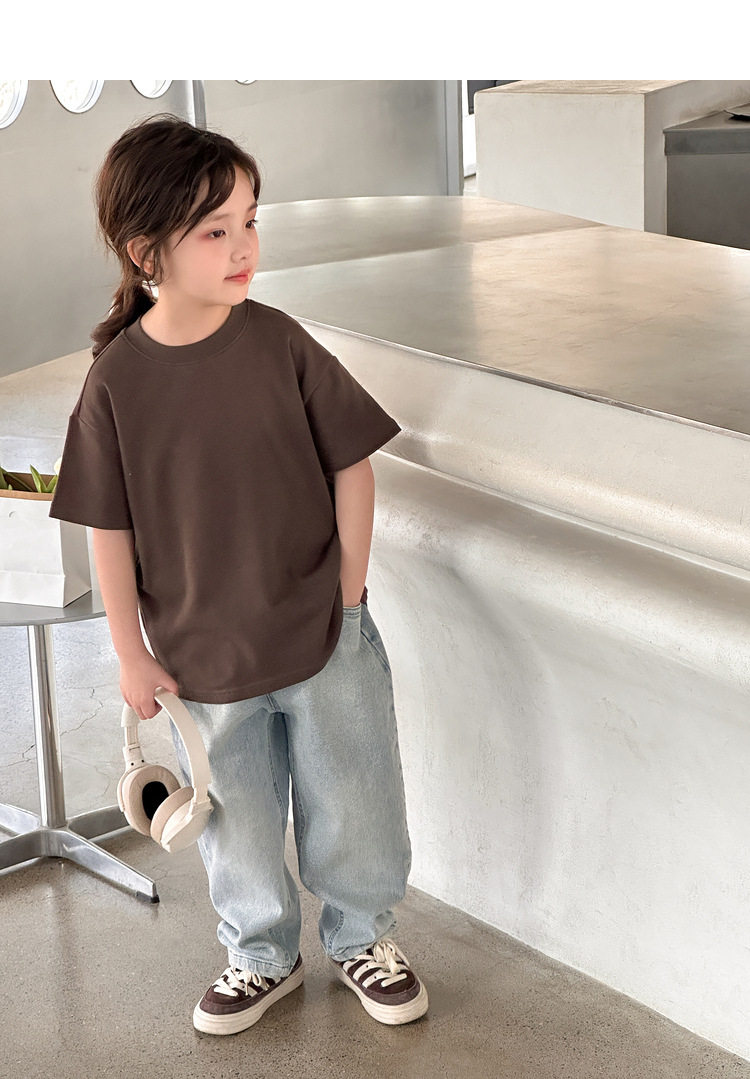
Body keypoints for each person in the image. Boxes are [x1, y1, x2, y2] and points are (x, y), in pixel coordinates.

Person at [48, 113, 427, 1035]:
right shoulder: (116, 383)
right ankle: (261, 953)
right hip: (200, 657)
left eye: (250, 221)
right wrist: (129, 652)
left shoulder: (279, 341)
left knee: (357, 797)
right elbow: (108, 527)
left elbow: (353, 463)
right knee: (236, 817)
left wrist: (347, 593)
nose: (244, 247)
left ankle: (363, 936)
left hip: (323, 630)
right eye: (215, 231)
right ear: (148, 252)